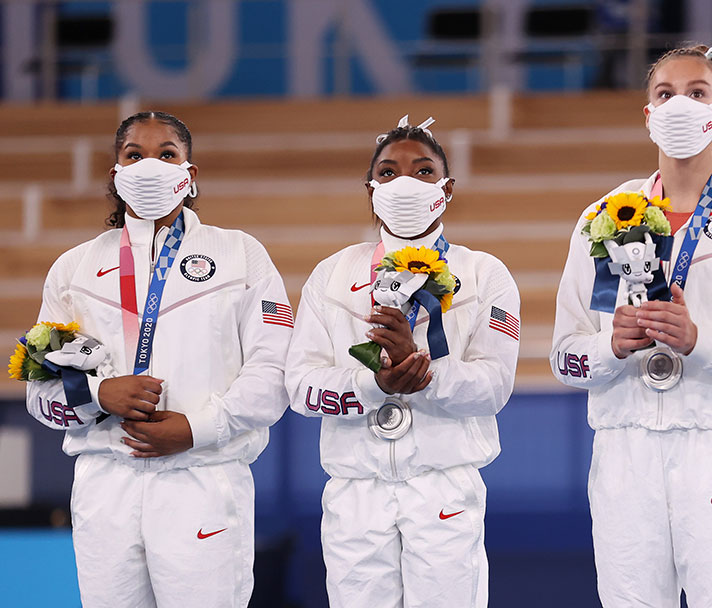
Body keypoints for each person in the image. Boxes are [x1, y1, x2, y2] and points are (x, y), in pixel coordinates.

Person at [550, 44, 712, 607]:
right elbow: (565, 358)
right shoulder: (601, 219)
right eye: (665, 95)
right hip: (624, 454)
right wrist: (610, 349)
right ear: (648, 116)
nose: (680, 106)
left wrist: (701, 342)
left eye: (697, 94)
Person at [24, 111, 292, 607]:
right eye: (134, 155)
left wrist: (197, 428)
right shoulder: (73, 269)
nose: (150, 165)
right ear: (116, 175)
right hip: (105, 483)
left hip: (203, 477)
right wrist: (98, 395)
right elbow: (39, 396)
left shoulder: (240, 254)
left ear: (189, 176)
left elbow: (273, 374)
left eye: (167, 154)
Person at [285, 116, 520, 608]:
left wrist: (424, 372)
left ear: (447, 188)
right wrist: (375, 385)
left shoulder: (484, 273)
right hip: (355, 491)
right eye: (388, 173)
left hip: (443, 488)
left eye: (424, 171)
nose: (405, 183)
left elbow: (494, 388)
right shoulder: (332, 274)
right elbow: (301, 388)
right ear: (370, 189)